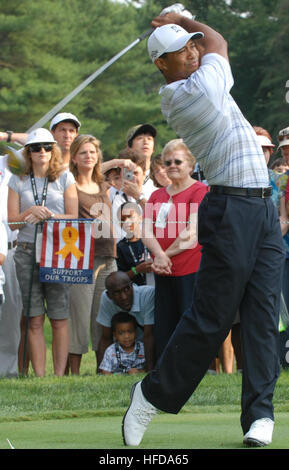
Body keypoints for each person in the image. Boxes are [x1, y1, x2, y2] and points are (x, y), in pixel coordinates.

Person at [122, 8, 284, 448]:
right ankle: (151, 392)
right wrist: (182, 17)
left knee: (262, 317)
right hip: (229, 207)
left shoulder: (202, 74)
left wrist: (184, 25)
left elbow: (210, 47)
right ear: (162, 64)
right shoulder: (186, 93)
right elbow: (220, 44)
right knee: (212, 318)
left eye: (192, 46)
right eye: (180, 51)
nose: (192, 52)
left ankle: (259, 416)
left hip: (262, 207)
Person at [8, 128, 78, 377]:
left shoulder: (65, 177)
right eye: (36, 148)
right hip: (26, 251)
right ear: (28, 152)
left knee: (59, 317)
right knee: (34, 318)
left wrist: (48, 215)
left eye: (47, 147)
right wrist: (29, 213)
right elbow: (12, 222)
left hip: (58, 251)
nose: (42, 152)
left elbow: (73, 216)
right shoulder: (17, 179)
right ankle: (40, 376)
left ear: (53, 150)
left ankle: (58, 377)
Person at [143, 138, 208, 359]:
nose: (172, 166)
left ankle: (189, 369)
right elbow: (145, 230)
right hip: (163, 270)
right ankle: (164, 371)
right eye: (167, 162)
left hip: (189, 270)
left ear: (190, 164)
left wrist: (162, 256)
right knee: (164, 324)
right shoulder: (156, 195)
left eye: (177, 161)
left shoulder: (199, 191)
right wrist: (159, 257)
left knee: (188, 323)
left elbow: (191, 232)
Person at [67, 134, 117, 375]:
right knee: (79, 315)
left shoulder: (103, 185)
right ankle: (73, 371)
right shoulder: (70, 185)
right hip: (82, 258)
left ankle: (102, 369)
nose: (89, 156)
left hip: (109, 255)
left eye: (93, 152)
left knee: (103, 316)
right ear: (74, 157)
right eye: (84, 152)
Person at [96, 271, 155, 372]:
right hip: (123, 349)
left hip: (148, 346)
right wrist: (101, 371)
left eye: (127, 289)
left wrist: (149, 370)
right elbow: (106, 338)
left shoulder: (148, 294)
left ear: (132, 286)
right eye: (117, 293)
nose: (124, 297)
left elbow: (149, 336)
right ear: (109, 295)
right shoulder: (106, 299)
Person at [0, 153, 23, 377]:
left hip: (8, 247)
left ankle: (6, 370)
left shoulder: (10, 161)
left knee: (10, 313)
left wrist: (6, 135)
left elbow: (34, 141)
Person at [0, 112, 81, 168]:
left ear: (76, 135)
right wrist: (5, 136)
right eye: (62, 130)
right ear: (52, 133)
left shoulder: (83, 158)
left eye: (71, 131)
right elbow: (32, 139)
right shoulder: (38, 152)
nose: (67, 136)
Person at [117, 201, 153, 286]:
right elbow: (119, 278)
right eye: (122, 219)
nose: (126, 222)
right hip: (134, 293)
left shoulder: (152, 240)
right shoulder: (120, 248)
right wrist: (136, 270)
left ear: (140, 218)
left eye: (130, 217)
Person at [126, 124, 158, 199]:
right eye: (139, 138)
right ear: (128, 146)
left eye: (149, 138)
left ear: (153, 148)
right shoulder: (118, 175)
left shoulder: (162, 174)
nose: (145, 142)